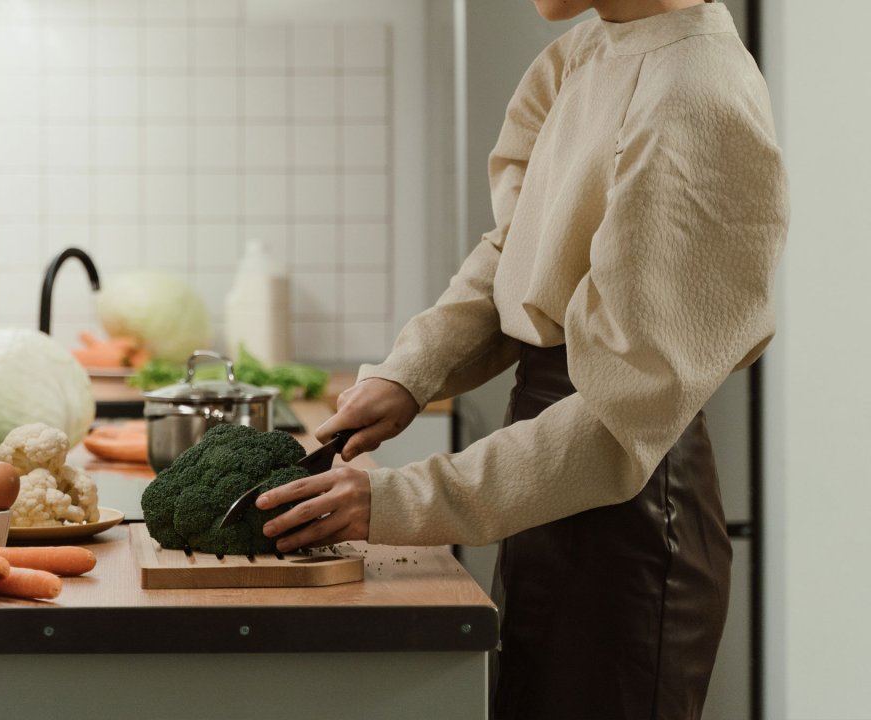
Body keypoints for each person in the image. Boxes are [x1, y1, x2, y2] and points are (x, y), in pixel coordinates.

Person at [256, 0, 788, 717]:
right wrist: (410, 373)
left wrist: (393, 500)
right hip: (539, 486)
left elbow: (615, 425)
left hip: (628, 509)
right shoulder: (582, 55)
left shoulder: (696, 94)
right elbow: (521, 252)